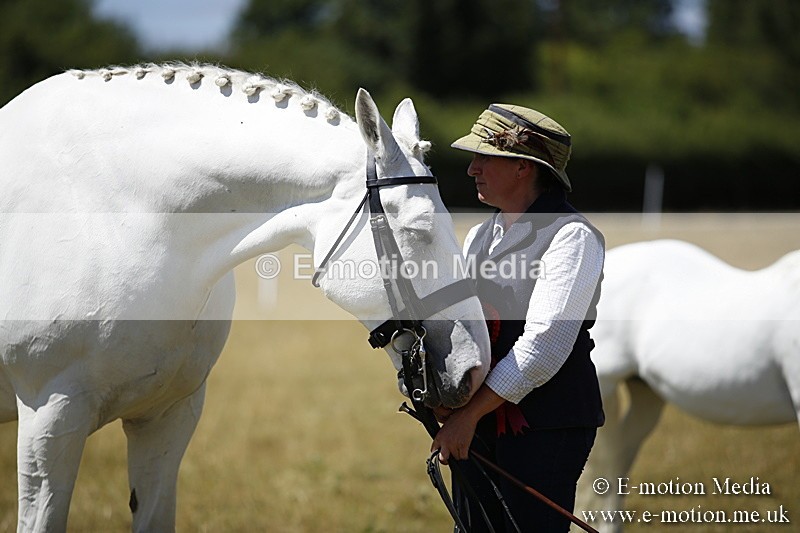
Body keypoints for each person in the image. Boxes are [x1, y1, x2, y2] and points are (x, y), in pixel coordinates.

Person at [431, 104, 605, 532]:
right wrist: (446, 398)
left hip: (548, 427)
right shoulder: (478, 236)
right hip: (481, 422)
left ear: (524, 166)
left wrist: (467, 417)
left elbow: (544, 347)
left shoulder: (571, 237)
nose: (472, 169)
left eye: (484, 156)